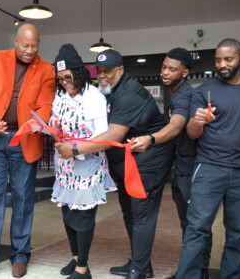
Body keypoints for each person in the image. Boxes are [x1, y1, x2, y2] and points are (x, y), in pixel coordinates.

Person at [56, 49, 175, 279]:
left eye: (107, 71)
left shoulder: (129, 94)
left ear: (121, 69)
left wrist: (74, 149)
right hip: (129, 161)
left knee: (141, 215)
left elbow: (114, 135)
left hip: (149, 161)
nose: (102, 75)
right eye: (99, 71)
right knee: (130, 212)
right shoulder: (111, 89)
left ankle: (139, 271)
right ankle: (140, 263)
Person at [0, 23, 55, 279]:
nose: (30, 50)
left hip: (24, 139)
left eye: (34, 45)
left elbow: (45, 105)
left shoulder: (47, 70)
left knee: (23, 198)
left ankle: (20, 255)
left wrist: (34, 124)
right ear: (15, 41)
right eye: (25, 45)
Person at [176, 39, 240, 279]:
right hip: (209, 168)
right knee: (197, 229)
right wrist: (197, 121)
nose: (222, 64)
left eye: (228, 59)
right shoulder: (204, 91)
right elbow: (192, 134)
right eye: (218, 60)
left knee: (238, 233)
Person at [129, 48, 203, 279]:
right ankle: (191, 271)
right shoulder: (176, 92)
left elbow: (177, 126)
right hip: (182, 166)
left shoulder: (183, 95)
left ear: (185, 72)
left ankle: (196, 273)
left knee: (192, 225)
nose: (165, 72)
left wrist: (151, 139)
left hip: (190, 168)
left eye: (172, 69)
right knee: (188, 223)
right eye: (164, 67)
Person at [50, 44, 116, 279]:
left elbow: (103, 137)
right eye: (60, 79)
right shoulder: (59, 95)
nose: (64, 82)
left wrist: (75, 149)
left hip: (88, 163)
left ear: (79, 73)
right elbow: (55, 118)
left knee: (84, 215)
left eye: (68, 77)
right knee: (67, 212)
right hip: (65, 164)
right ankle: (75, 257)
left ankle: (83, 268)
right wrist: (53, 127)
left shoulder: (94, 97)